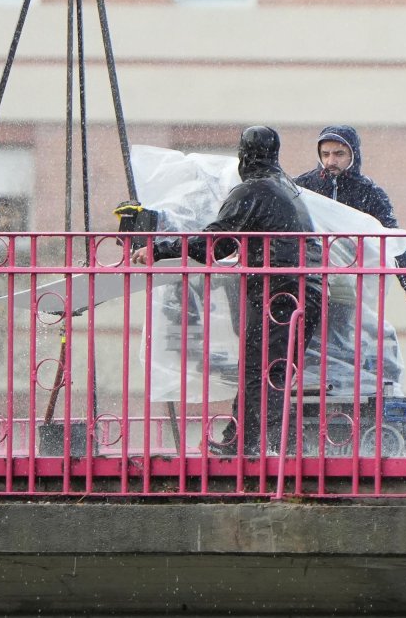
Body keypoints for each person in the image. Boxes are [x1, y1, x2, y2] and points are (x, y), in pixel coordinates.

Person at [131, 126, 323, 456]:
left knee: (259, 370)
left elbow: (213, 243)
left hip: (279, 289)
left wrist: (159, 249)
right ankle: (255, 440)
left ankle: (246, 445)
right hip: (306, 288)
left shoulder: (253, 190)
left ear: (243, 155)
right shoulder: (286, 187)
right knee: (273, 370)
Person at [294, 125, 406, 301]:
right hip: (311, 279)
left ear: (353, 154)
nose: (330, 161)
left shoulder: (369, 192)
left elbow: (391, 240)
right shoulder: (302, 187)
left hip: (350, 284)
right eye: (325, 154)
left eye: (339, 154)